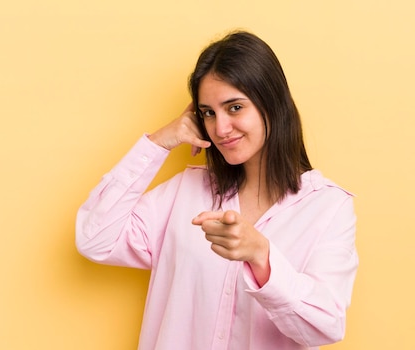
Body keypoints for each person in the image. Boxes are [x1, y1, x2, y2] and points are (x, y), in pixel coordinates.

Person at [76, 30, 358, 350]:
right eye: (208, 112)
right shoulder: (185, 191)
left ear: (273, 103)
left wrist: (261, 257)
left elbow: (325, 327)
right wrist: (158, 143)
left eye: (234, 108)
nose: (220, 128)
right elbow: (94, 239)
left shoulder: (327, 208)